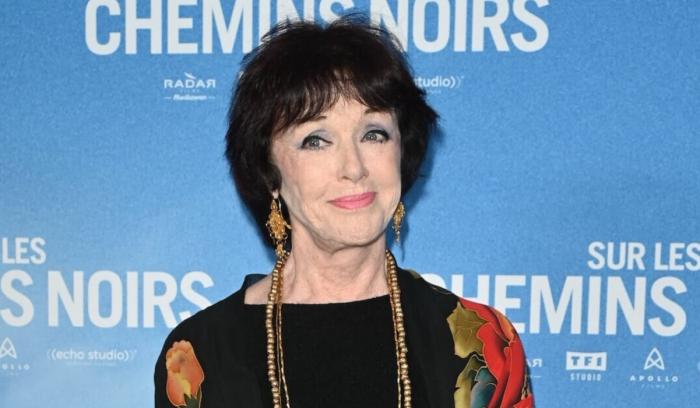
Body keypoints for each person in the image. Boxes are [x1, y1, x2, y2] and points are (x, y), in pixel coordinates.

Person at [154, 15, 534, 408]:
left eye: (374, 134)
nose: (353, 167)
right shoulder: (199, 356)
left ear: (402, 151)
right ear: (269, 172)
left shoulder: (485, 346)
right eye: (316, 140)